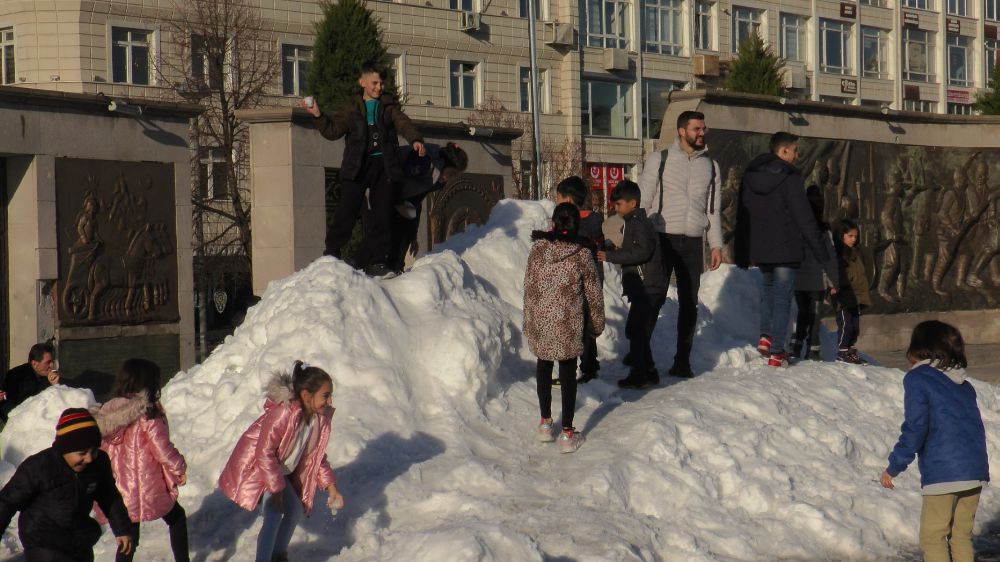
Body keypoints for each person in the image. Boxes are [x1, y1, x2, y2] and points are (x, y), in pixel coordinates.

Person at [302, 62, 425, 277]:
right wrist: (318, 115)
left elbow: (404, 123)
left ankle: (378, 262)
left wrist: (415, 139)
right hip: (357, 165)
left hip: (384, 167)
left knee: (382, 214)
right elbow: (333, 131)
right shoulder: (351, 107)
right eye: (374, 83)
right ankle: (331, 254)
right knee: (346, 212)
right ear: (363, 82)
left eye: (382, 83)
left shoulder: (388, 106)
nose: (379, 87)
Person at [881, 320, 988, 562]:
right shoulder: (964, 384)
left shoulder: (918, 379)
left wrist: (894, 466)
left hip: (944, 472)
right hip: (974, 470)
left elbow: (916, 427)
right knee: (961, 536)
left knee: (933, 537)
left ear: (919, 347)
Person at [219, 361, 344, 562]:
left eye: (330, 395)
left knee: (294, 511)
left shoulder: (317, 420)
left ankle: (278, 556)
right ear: (306, 395)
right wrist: (276, 490)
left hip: (278, 473)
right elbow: (264, 453)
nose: (329, 401)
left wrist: (331, 486)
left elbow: (316, 457)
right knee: (274, 515)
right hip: (259, 469)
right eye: (325, 396)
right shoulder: (284, 413)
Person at [735, 132, 836, 367]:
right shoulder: (790, 178)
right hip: (786, 248)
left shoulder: (750, 176)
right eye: (795, 150)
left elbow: (743, 214)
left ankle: (766, 336)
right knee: (782, 298)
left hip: (761, 247)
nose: (797, 154)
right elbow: (804, 217)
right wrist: (822, 253)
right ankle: (777, 352)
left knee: (768, 291)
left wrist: (742, 249)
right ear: (783, 151)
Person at [637, 110, 723, 378]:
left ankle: (682, 361)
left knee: (689, 302)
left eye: (703, 128)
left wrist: (716, 244)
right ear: (682, 131)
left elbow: (713, 209)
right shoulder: (659, 159)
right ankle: (640, 359)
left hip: (693, 240)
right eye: (697, 129)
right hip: (662, 236)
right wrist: (639, 235)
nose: (702, 133)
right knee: (655, 297)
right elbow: (643, 199)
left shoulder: (710, 165)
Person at [523, 203, 605, 453]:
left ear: (553, 223)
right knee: (568, 372)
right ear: (576, 225)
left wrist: (529, 321)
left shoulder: (538, 250)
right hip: (568, 324)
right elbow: (594, 292)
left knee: (544, 365)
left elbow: (528, 287)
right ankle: (568, 433)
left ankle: (546, 424)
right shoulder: (582, 253)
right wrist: (597, 323)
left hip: (541, 322)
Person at [0, 408, 133, 562]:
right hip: (42, 541)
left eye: (94, 451)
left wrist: (122, 529)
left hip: (78, 540)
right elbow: (7, 502)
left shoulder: (98, 463)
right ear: (65, 449)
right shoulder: (39, 466)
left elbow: (109, 496)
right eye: (82, 453)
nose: (89, 458)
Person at [94, 359, 189, 562]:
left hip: (118, 486)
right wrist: (179, 467)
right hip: (144, 484)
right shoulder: (148, 413)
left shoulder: (108, 410)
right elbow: (161, 448)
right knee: (176, 517)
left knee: (128, 537)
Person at [598, 181, 671, 387]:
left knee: (636, 330)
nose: (616, 208)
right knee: (638, 330)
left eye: (619, 204)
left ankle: (640, 374)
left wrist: (611, 256)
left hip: (647, 286)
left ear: (632, 203)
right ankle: (648, 370)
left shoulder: (638, 222)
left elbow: (643, 251)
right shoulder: (634, 221)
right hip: (646, 285)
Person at [387, 142, 468, 274]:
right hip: (385, 194)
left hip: (401, 202)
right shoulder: (423, 162)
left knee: (403, 235)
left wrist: (413, 237)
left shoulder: (435, 180)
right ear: (444, 164)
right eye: (452, 174)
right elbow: (396, 181)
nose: (450, 179)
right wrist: (397, 203)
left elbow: (415, 202)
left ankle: (396, 268)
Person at [554, 176, 605, 383]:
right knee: (585, 323)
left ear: (567, 200)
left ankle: (581, 369)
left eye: (557, 198)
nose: (555, 202)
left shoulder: (579, 224)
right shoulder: (594, 220)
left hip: (580, 280)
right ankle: (589, 366)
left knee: (576, 325)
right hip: (590, 278)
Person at [790, 185, 837, 361]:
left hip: (798, 278)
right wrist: (834, 282)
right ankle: (813, 348)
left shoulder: (795, 227)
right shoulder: (823, 230)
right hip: (816, 279)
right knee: (815, 313)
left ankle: (797, 345)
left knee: (803, 311)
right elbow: (829, 257)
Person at [832, 219, 871, 364]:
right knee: (846, 324)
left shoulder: (856, 252)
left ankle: (850, 350)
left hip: (857, 295)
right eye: (850, 236)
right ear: (841, 235)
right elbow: (833, 273)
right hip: (843, 295)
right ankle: (842, 351)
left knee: (855, 326)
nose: (854, 239)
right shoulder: (837, 253)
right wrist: (833, 288)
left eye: (856, 236)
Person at [0, 343, 60, 423]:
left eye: (52, 362)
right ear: (35, 364)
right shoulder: (16, 375)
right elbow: (7, 406)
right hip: (21, 423)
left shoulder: (51, 377)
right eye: (48, 362)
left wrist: (56, 385)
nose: (51, 366)